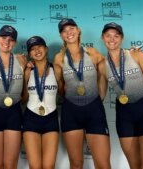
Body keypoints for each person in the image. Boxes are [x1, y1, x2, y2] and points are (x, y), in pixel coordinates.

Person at [101, 22, 143, 169]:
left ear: (122, 38)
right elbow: (100, 95)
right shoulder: (102, 65)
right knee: (136, 166)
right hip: (124, 115)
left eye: (116, 35)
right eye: (108, 35)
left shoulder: (136, 54)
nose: (112, 39)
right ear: (102, 38)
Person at [53, 18, 111, 169]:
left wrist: (100, 96)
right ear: (61, 36)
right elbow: (59, 85)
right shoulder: (59, 58)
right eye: (64, 31)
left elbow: (103, 73)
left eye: (71, 28)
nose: (69, 33)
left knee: (103, 164)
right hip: (71, 112)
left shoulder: (92, 53)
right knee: (76, 163)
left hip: (94, 110)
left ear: (78, 30)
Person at [0, 25, 26, 169]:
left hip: (14, 114)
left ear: (15, 43)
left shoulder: (22, 60)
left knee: (10, 165)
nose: (7, 42)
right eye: (3, 38)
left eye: (11, 39)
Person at [22, 36, 60, 169]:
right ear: (29, 54)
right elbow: (23, 98)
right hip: (31, 118)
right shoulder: (27, 71)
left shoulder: (56, 69)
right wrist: (26, 72)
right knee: (35, 166)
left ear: (46, 49)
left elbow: (63, 93)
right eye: (32, 49)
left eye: (39, 47)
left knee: (49, 166)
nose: (37, 51)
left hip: (51, 118)